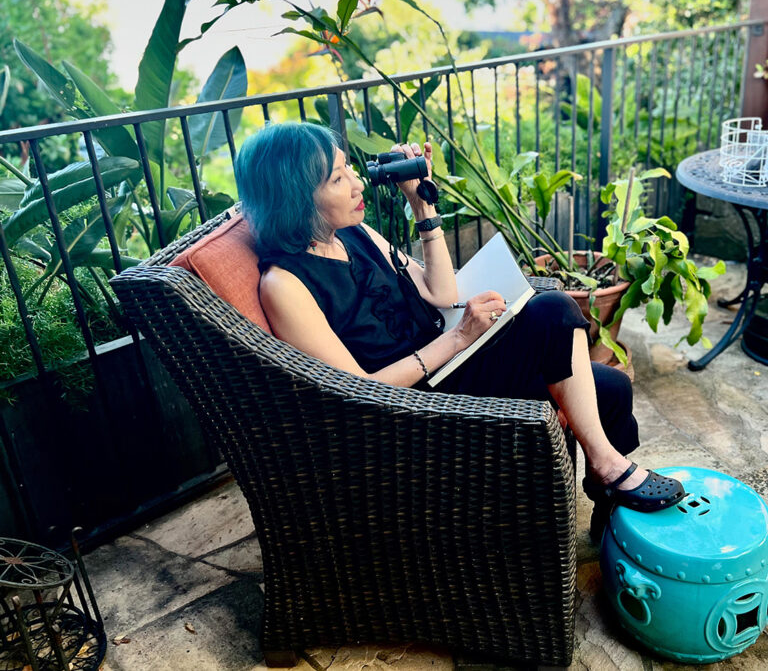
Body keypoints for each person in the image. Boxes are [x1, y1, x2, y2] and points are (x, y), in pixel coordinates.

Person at [235, 122, 684, 534]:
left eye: (349, 167)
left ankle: (607, 491)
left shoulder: (353, 234)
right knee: (553, 309)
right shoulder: (284, 284)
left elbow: (442, 293)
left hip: (451, 364)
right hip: (413, 410)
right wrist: (457, 338)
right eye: (337, 179)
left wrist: (422, 208)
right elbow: (359, 392)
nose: (357, 183)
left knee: (609, 388)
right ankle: (607, 468)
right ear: (295, 197)